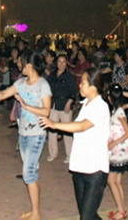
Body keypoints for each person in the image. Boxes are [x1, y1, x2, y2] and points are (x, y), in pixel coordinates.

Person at [0, 50, 52, 220]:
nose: (18, 65)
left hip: (36, 134)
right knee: (31, 173)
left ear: (29, 66)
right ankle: (35, 210)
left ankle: (36, 213)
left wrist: (26, 106)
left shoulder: (43, 85)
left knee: (28, 173)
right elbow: (4, 93)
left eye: (21, 62)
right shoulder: (21, 83)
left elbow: (46, 111)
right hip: (23, 133)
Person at [39, 67, 110, 220]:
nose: (79, 85)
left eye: (83, 83)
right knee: (87, 214)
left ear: (93, 88)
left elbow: (82, 126)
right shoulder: (86, 104)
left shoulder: (101, 107)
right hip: (80, 166)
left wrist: (55, 124)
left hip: (95, 169)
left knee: (86, 216)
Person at [107, 84, 128, 220]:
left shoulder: (119, 112)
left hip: (120, 151)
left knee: (111, 180)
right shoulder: (117, 110)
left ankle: (121, 210)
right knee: (117, 181)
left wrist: (114, 142)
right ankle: (121, 209)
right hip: (119, 150)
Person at [45, 54, 77, 163]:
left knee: (66, 131)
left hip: (65, 105)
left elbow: (74, 92)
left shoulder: (69, 76)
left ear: (66, 63)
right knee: (52, 130)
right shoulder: (52, 75)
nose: (61, 64)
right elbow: (47, 89)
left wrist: (69, 103)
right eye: (59, 61)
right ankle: (53, 153)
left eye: (64, 61)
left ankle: (69, 155)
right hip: (53, 104)